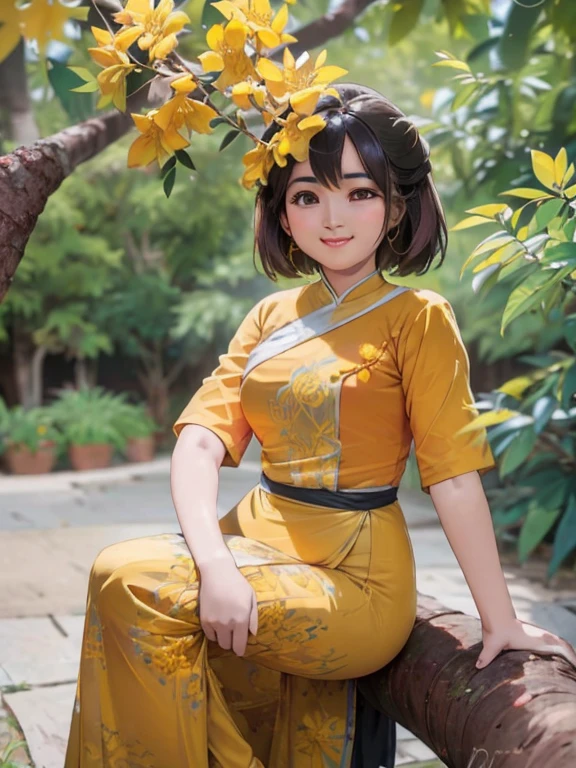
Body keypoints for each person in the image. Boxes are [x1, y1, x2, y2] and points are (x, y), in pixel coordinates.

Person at [64, 83, 576, 768]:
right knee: (118, 582)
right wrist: (214, 563)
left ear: (398, 208)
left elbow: (452, 476)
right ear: (282, 211)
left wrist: (501, 621)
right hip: (251, 541)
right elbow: (199, 441)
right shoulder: (270, 317)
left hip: (354, 576)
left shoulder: (417, 317)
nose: (333, 218)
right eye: (307, 195)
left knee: (127, 578)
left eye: (360, 193)